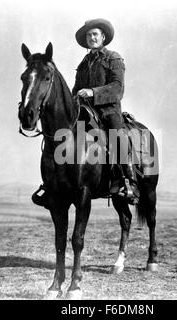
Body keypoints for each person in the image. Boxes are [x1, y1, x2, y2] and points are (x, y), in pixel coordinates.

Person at [32, 18, 139, 207]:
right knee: (63, 138)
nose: (92, 37)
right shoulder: (83, 64)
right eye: (89, 35)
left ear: (103, 37)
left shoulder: (113, 58)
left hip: (108, 110)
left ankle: (128, 182)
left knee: (117, 135)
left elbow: (117, 88)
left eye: (95, 34)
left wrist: (92, 92)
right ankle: (53, 184)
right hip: (83, 112)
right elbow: (75, 90)